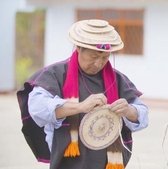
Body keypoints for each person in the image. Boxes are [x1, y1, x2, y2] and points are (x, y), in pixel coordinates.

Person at [17, 19, 149, 169]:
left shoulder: (117, 79)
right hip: (68, 161)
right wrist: (80, 107)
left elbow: (143, 114)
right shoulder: (55, 74)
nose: (99, 63)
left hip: (108, 163)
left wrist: (129, 111)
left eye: (105, 58)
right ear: (78, 48)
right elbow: (38, 108)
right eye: (94, 57)